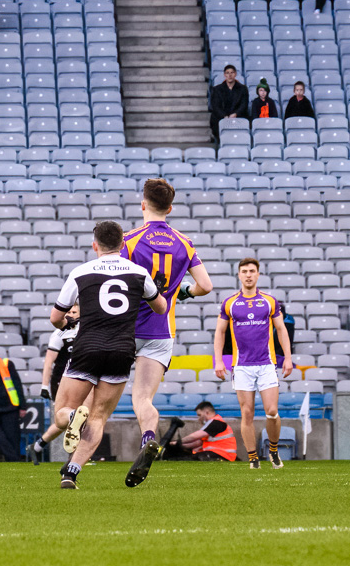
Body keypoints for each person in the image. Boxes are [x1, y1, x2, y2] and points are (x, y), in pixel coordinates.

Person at [50, 221, 167, 490]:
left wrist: (67, 325)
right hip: (121, 350)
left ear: (95, 245)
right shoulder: (138, 272)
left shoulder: (81, 272)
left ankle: (72, 419)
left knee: (61, 414)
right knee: (99, 416)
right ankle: (71, 472)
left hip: (87, 347)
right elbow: (160, 308)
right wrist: (152, 291)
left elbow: (56, 317)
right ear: (123, 244)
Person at [120, 178, 213, 487]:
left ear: (142, 203)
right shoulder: (184, 242)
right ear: (170, 208)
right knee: (143, 398)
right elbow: (206, 286)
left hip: (126, 329)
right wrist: (184, 292)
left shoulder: (129, 241)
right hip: (161, 333)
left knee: (99, 393)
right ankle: (149, 437)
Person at [213, 258, 294, 469]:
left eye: (252, 271)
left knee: (272, 410)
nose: (248, 275)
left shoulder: (269, 301)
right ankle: (253, 458)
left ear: (258, 274)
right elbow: (220, 332)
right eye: (244, 271)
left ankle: (273, 450)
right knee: (247, 413)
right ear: (239, 275)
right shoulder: (229, 303)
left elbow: (282, 330)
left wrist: (288, 357)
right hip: (242, 366)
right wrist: (219, 360)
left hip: (267, 364)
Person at [28, 304, 79, 465]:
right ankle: (75, 456)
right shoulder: (59, 334)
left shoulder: (85, 331)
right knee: (68, 418)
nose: (71, 314)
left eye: (74, 312)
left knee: (78, 417)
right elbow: (49, 362)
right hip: (62, 380)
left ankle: (37, 446)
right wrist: (44, 386)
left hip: (81, 379)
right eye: (68, 312)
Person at [159, 404, 237, 461]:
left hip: (223, 454)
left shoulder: (217, 422)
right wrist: (178, 446)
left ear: (207, 412)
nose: (198, 418)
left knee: (190, 459)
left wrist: (179, 442)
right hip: (217, 453)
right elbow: (198, 443)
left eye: (199, 415)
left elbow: (195, 436)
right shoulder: (212, 423)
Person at [209, 64, 250, 141]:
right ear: (224, 75)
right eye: (227, 73)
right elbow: (215, 105)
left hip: (237, 116)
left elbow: (244, 104)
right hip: (222, 117)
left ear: (235, 74)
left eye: (232, 72)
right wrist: (224, 116)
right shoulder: (217, 89)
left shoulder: (243, 89)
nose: (230, 75)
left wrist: (235, 114)